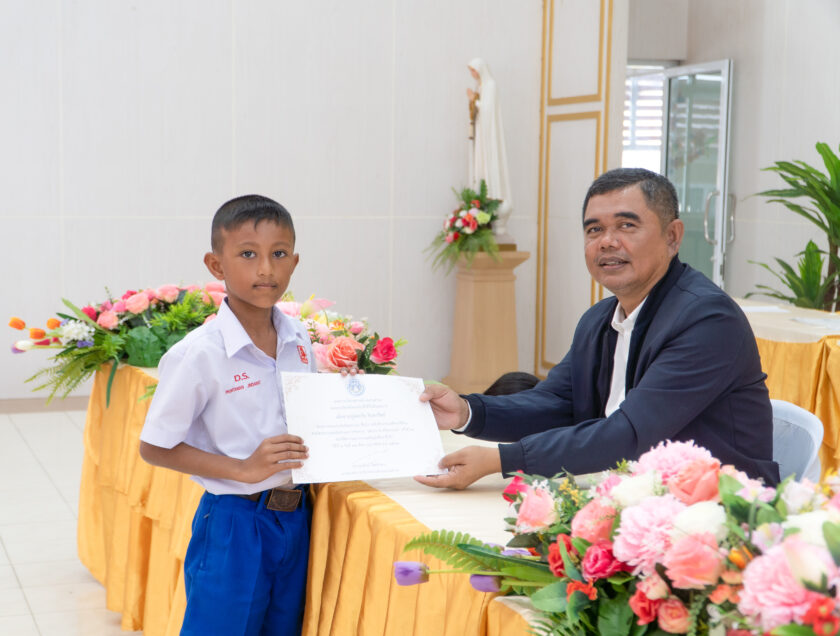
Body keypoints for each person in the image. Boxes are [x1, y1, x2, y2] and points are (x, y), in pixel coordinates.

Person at [416, 168, 779, 490]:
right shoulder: (599, 319)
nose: (607, 241)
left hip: (719, 511)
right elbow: (555, 403)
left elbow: (630, 434)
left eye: (626, 225)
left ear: (672, 236)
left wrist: (502, 460)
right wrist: (466, 410)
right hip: (630, 495)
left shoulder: (706, 319)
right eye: (594, 230)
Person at [139, 195, 316, 635]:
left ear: (294, 262)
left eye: (279, 254)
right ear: (216, 265)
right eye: (248, 254)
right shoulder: (200, 354)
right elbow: (154, 447)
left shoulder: (299, 339)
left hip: (297, 518)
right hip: (235, 523)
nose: (266, 269)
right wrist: (241, 468)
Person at [467, 57, 514, 244]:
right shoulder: (481, 86)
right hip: (481, 136)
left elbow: (487, 111)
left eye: (473, 70)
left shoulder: (490, 85)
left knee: (490, 168)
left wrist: (475, 100)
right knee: (480, 171)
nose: (472, 74)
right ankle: (481, 203)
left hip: (489, 137)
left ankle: (493, 203)